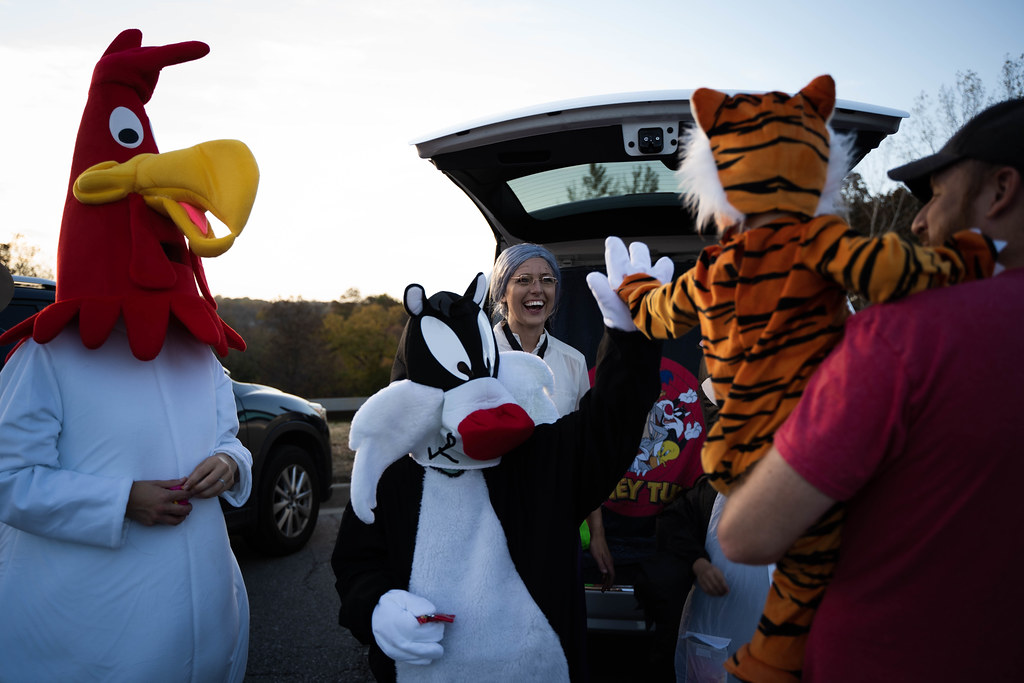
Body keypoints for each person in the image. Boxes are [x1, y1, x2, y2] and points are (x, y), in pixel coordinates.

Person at [717, 98, 1024, 682]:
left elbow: (748, 533)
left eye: (936, 194)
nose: (918, 221)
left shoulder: (907, 334)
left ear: (999, 191)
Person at [0, 30, 257, 681]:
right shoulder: (47, 355)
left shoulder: (196, 352)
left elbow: (229, 434)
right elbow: (10, 478)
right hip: (90, 638)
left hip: (206, 618)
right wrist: (120, 500)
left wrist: (230, 463)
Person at [332, 271, 663, 682]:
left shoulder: (540, 457)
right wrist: (376, 606)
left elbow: (610, 422)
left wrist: (631, 342)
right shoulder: (392, 472)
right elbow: (355, 561)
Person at [487, 243, 618, 587]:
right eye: (524, 280)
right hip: (488, 516)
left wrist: (598, 533)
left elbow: (584, 454)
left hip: (556, 517)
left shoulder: (572, 360)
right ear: (502, 291)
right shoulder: (478, 356)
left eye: (547, 280)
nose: (537, 290)